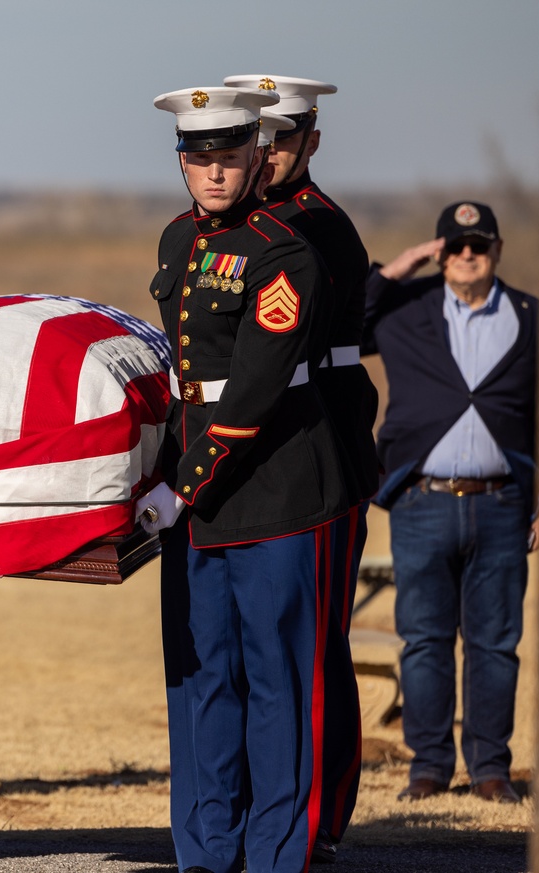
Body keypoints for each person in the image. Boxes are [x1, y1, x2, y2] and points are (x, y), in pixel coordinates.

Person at [137, 85, 347, 873]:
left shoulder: (286, 250)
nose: (214, 172)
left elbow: (251, 396)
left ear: (257, 157)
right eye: (200, 158)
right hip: (193, 494)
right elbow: (183, 378)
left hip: (272, 491)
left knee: (275, 686)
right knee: (199, 680)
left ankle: (272, 855)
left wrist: (180, 486)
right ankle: (203, 850)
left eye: (230, 156)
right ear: (182, 163)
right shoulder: (174, 241)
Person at [226, 73, 375, 863]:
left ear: (310, 142)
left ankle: (313, 816)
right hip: (257, 450)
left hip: (315, 453)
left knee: (308, 646)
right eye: (261, 138)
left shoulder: (311, 229)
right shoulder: (243, 226)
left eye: (284, 139)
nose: (270, 152)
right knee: (259, 652)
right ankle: (265, 806)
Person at [361, 201, 537, 805]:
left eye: (479, 245)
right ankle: (429, 767)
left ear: (497, 250)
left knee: (495, 643)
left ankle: (490, 769)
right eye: (455, 245)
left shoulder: (530, 318)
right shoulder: (405, 311)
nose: (468, 255)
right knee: (425, 640)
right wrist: (402, 265)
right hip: (421, 502)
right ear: (440, 251)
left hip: (505, 505)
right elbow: (344, 323)